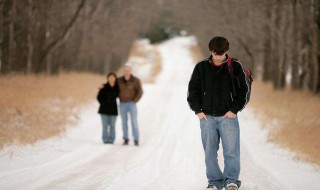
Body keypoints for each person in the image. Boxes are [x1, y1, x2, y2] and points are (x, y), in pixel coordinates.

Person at [187, 36, 249, 190]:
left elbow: (244, 91)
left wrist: (234, 110)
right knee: (209, 153)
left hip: (228, 117)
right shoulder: (201, 67)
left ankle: (231, 181)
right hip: (207, 117)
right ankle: (214, 182)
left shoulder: (235, 66)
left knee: (231, 151)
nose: (218, 56)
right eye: (215, 53)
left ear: (226, 51)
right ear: (211, 51)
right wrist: (198, 111)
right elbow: (192, 91)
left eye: (221, 53)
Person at [118, 65, 143, 146]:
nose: (126, 72)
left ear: (130, 71)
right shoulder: (119, 80)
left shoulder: (136, 80)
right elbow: (113, 88)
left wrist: (134, 101)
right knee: (124, 122)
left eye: (128, 70)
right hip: (122, 104)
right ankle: (125, 139)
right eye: (125, 70)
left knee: (134, 122)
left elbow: (140, 92)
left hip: (132, 104)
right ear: (123, 71)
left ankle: (136, 139)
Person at [97, 72, 119, 144]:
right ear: (107, 78)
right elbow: (99, 97)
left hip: (113, 109)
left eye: (113, 77)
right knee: (105, 126)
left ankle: (112, 139)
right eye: (110, 77)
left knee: (112, 125)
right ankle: (105, 139)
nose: (111, 78)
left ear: (115, 78)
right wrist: (103, 103)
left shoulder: (117, 87)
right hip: (104, 109)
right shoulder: (103, 86)